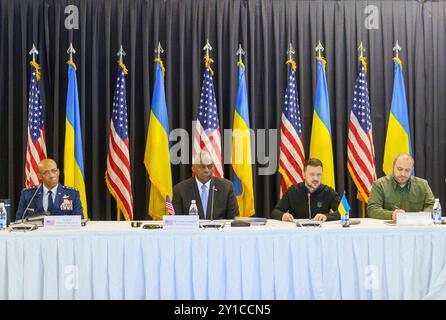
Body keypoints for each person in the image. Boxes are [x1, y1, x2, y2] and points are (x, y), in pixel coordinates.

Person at [172, 151, 239, 219]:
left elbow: (234, 219)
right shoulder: (180, 190)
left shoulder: (226, 187)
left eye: (210, 166)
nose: (206, 170)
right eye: (202, 167)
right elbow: (176, 220)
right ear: (193, 169)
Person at [367, 153, 435, 221]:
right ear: (393, 167)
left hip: (416, 227)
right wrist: (391, 215)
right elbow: (372, 209)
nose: (403, 174)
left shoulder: (423, 185)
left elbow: (432, 205)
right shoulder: (379, 185)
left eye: (407, 170)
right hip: (388, 229)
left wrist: (422, 216)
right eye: (400, 169)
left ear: (412, 169)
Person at [272, 158, 341, 221]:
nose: (315, 179)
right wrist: (283, 215)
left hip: (320, 232)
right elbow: (275, 211)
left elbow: (346, 210)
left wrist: (326, 217)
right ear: (303, 175)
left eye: (319, 175)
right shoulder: (292, 190)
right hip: (297, 232)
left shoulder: (328, 191)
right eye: (312, 174)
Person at [16, 158, 83, 220]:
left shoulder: (72, 194)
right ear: (39, 176)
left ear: (58, 172)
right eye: (46, 173)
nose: (51, 175)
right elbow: (19, 220)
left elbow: (79, 220)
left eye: (54, 171)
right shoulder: (28, 194)